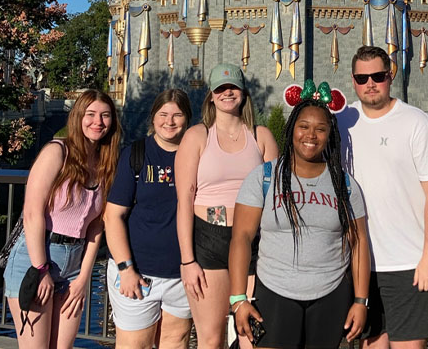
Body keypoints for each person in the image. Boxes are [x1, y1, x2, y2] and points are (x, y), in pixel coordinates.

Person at [229, 89, 371, 349]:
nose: (311, 135)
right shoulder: (264, 178)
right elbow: (241, 237)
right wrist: (238, 299)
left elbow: (359, 242)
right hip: (274, 291)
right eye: (303, 126)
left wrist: (361, 301)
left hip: (330, 294)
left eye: (320, 129)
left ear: (330, 135)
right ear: (291, 128)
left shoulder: (344, 184)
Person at [338, 46, 428, 349]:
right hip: (360, 264)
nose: (370, 84)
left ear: (390, 76)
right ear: (353, 80)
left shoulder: (416, 122)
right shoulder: (342, 121)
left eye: (377, 76)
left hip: (407, 263)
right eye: (363, 78)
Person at [4, 89, 121, 349]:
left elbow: (95, 225)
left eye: (105, 115)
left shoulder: (105, 163)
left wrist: (83, 279)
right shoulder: (57, 152)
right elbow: (33, 213)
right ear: (78, 117)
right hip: (36, 257)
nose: (98, 122)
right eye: (90, 114)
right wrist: (41, 268)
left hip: (73, 266)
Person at [175, 63, 278, 349]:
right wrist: (187, 260)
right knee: (210, 338)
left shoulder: (261, 137)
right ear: (211, 95)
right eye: (220, 89)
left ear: (243, 93)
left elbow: (275, 199)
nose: (227, 93)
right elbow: (184, 200)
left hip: (252, 241)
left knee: (253, 334)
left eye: (232, 87)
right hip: (209, 240)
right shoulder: (197, 136)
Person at [104, 88, 194, 349]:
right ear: (153, 117)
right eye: (163, 114)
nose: (170, 121)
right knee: (135, 345)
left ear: (187, 119)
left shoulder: (197, 155)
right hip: (138, 274)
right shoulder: (136, 154)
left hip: (181, 274)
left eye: (177, 115)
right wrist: (126, 268)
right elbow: (113, 216)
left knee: (175, 342)